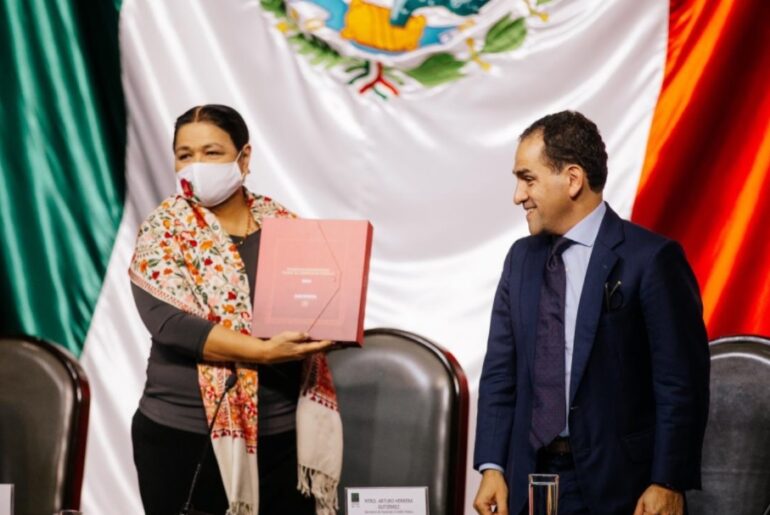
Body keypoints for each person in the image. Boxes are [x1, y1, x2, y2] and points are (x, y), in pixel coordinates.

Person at [472, 111, 710, 515]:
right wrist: (492, 466)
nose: (518, 195)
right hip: (527, 479)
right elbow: (500, 372)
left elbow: (680, 383)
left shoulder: (652, 259)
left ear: (572, 179)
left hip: (621, 488)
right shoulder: (519, 259)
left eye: (528, 179)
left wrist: (668, 481)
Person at [129, 104, 341, 515]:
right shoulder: (163, 229)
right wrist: (263, 352)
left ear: (244, 158)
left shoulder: (285, 225)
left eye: (211, 152)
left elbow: (313, 303)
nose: (196, 165)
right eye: (185, 154)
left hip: (285, 434)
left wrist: (334, 321)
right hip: (184, 436)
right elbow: (170, 324)